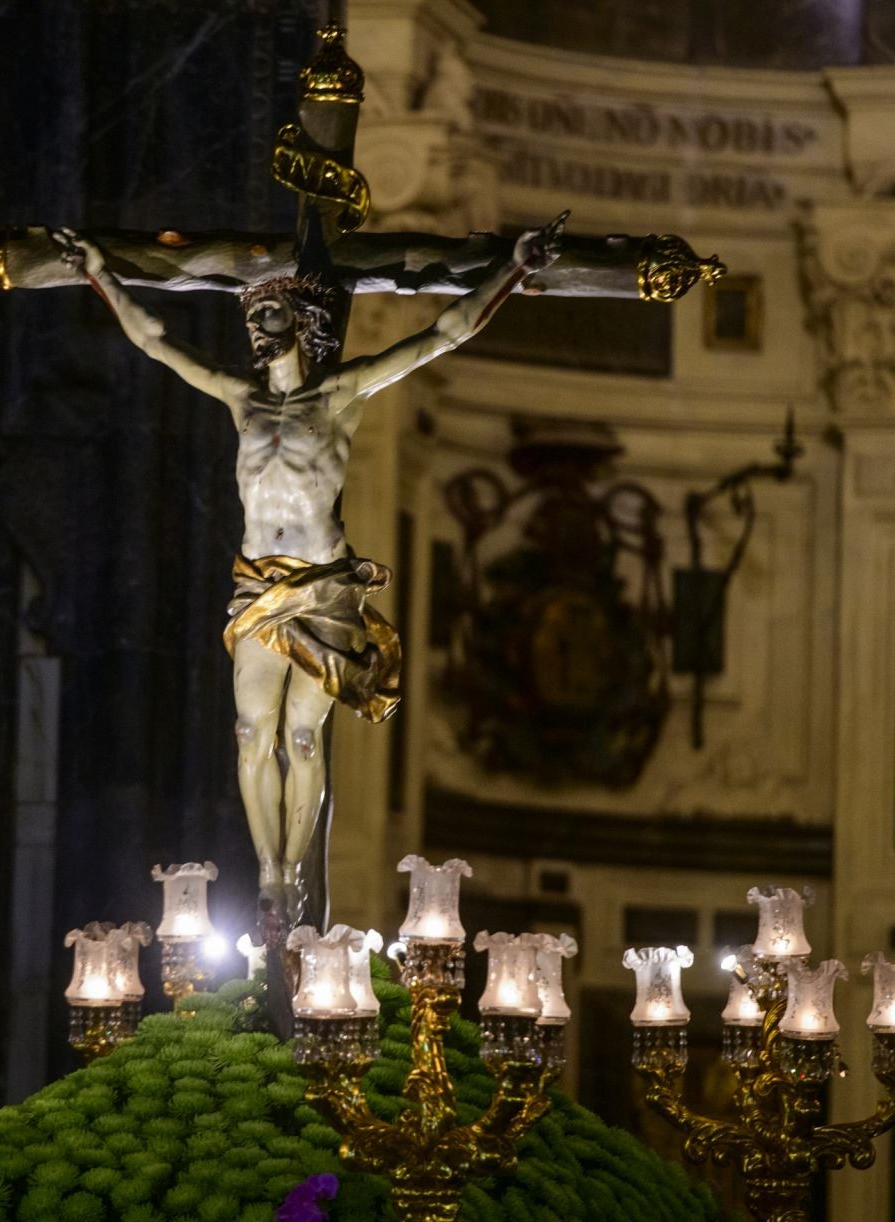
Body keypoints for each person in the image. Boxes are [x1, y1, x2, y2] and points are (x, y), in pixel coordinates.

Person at [51, 213, 566, 920]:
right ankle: (269, 875)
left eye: (269, 312)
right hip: (259, 585)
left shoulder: (341, 395)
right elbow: (154, 342)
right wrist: (95, 272)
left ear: (297, 319)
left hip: (324, 588)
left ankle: (295, 870)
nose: (259, 326)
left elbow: (443, 335)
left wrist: (515, 268)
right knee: (247, 732)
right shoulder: (242, 400)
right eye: (254, 316)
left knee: (302, 735)